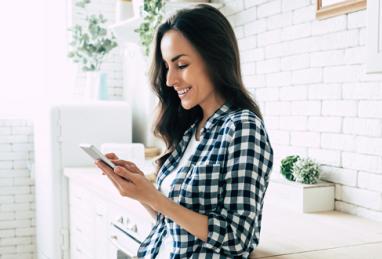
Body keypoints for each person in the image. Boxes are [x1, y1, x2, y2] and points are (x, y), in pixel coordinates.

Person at [95, 4, 273, 258]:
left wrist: (155, 198)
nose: (169, 80)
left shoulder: (242, 128)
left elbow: (238, 237)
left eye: (181, 65)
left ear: (215, 58)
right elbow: (173, 224)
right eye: (167, 66)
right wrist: (141, 192)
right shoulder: (191, 131)